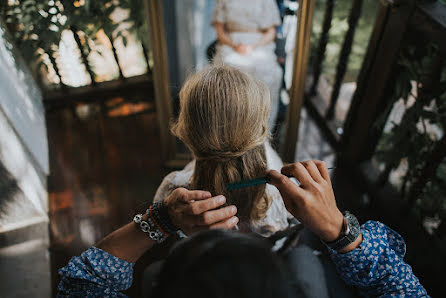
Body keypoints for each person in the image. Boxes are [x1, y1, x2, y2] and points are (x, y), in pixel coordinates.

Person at [58, 160, 429, 297]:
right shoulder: (300, 267)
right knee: (303, 257)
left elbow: (85, 281)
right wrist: (339, 230)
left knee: (155, 268)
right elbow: (394, 283)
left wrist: (161, 219)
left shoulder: (176, 183)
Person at [154, 65, 293, 237]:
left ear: (186, 131)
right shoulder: (280, 196)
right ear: (259, 129)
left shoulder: (174, 195)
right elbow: (284, 231)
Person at [211, 0, 283, 130]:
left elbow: (271, 32)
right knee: (227, 72)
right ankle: (229, 127)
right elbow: (220, 32)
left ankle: (260, 129)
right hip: (231, 43)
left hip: (260, 44)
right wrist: (235, 46)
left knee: (269, 73)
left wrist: (253, 47)